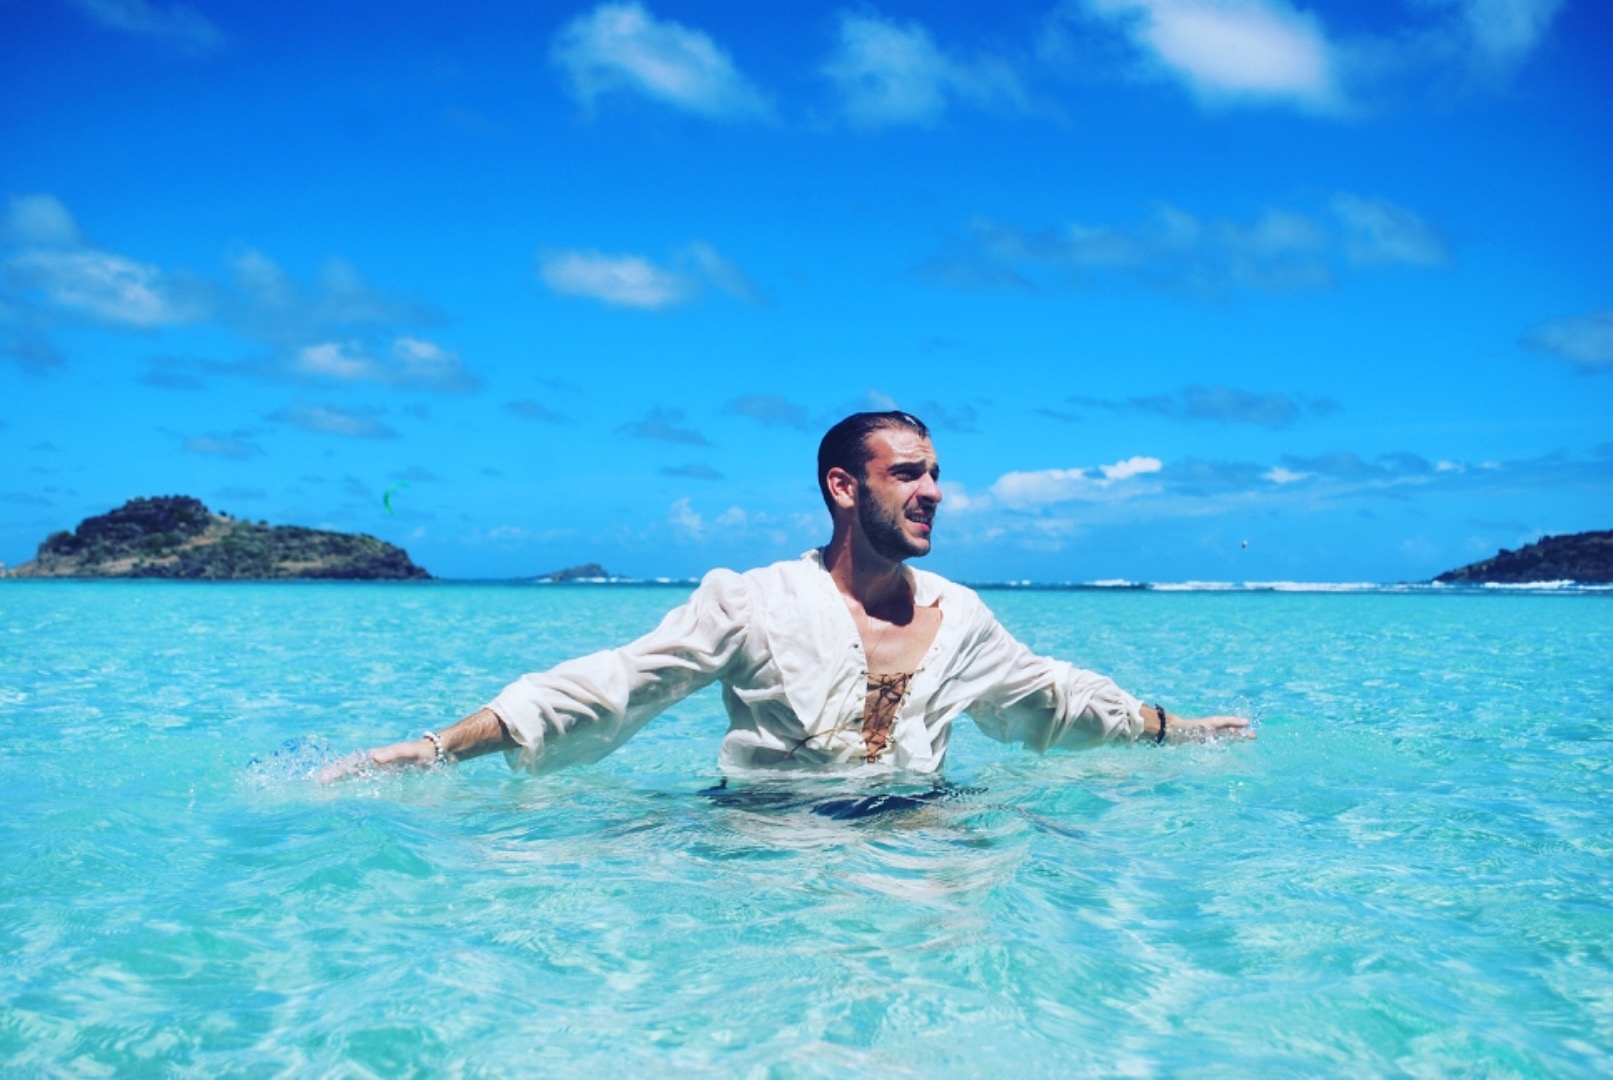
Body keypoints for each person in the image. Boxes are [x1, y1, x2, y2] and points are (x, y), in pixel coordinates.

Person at [324, 411, 1248, 783]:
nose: (933, 491)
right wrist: (435, 747)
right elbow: (610, 686)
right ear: (844, 487)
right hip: (772, 855)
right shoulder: (751, 601)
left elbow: (1055, 700)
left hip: (921, 846)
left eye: (937, 474)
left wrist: (1176, 729)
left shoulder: (959, 616)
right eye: (908, 474)